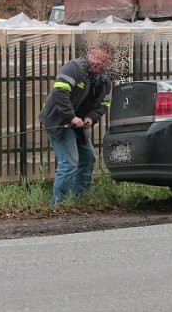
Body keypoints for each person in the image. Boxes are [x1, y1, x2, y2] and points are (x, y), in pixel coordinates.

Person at [39, 42, 115, 203]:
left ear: (108, 63)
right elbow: (60, 92)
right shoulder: (74, 68)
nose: (97, 61)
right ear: (89, 54)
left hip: (79, 124)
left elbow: (104, 104)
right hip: (59, 121)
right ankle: (58, 203)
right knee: (70, 163)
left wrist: (91, 118)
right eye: (95, 56)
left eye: (102, 59)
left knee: (88, 158)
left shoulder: (105, 80)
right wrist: (71, 117)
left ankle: (79, 199)